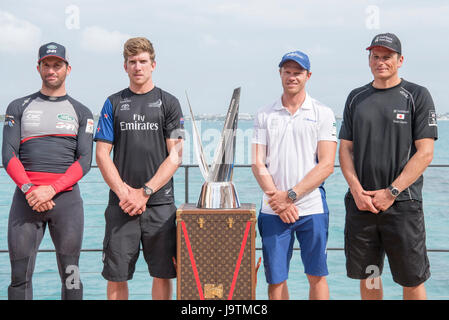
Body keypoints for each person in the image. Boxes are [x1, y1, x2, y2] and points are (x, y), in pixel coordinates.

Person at [339, 33, 438, 300]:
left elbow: (425, 153)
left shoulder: (417, 95)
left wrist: (391, 192)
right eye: (376, 56)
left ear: (400, 60)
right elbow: (345, 149)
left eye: (387, 57)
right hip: (362, 203)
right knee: (370, 276)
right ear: (369, 59)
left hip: (402, 203)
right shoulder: (355, 97)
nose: (381, 61)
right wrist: (357, 191)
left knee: (412, 278)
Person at [2, 42, 93, 300]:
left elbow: (84, 160)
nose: (52, 70)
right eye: (46, 65)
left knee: (72, 277)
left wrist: (51, 190)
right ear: (38, 68)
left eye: (57, 65)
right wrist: (30, 189)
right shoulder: (18, 107)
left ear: (68, 68)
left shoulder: (82, 112)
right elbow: (8, 154)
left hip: (66, 202)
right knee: (19, 278)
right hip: (26, 199)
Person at [94, 37, 184, 300]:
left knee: (163, 273)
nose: (138, 67)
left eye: (143, 61)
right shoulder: (113, 102)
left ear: (153, 64)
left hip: (160, 205)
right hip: (121, 206)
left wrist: (144, 193)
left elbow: (176, 154)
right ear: (125, 67)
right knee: (116, 275)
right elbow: (102, 154)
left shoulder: (169, 102)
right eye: (132, 62)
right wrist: (125, 193)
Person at [251, 51, 337, 300]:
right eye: (287, 71)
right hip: (273, 209)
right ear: (280, 74)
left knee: (317, 275)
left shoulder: (323, 112)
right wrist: (278, 201)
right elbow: (258, 163)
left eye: (297, 72)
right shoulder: (264, 114)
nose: (292, 76)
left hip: (311, 207)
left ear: (308, 76)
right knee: (276, 279)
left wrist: (290, 196)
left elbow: (326, 165)